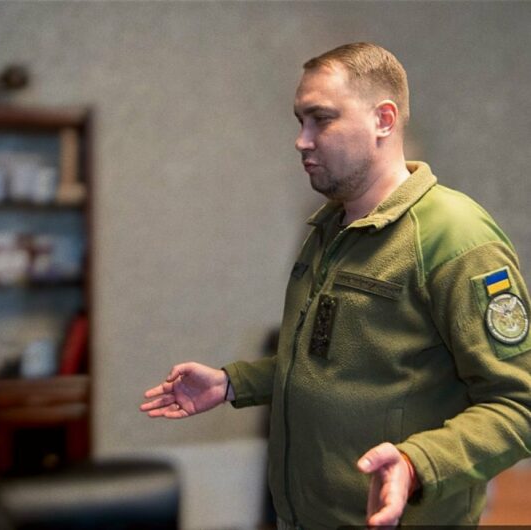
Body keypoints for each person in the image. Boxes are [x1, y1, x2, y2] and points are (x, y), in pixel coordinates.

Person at [141, 42, 531, 528]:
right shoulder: (328, 227)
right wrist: (232, 383)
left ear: (383, 120)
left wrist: (418, 463)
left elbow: (518, 405)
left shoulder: (454, 235)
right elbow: (334, 365)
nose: (301, 141)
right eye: (299, 121)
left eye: (320, 120)